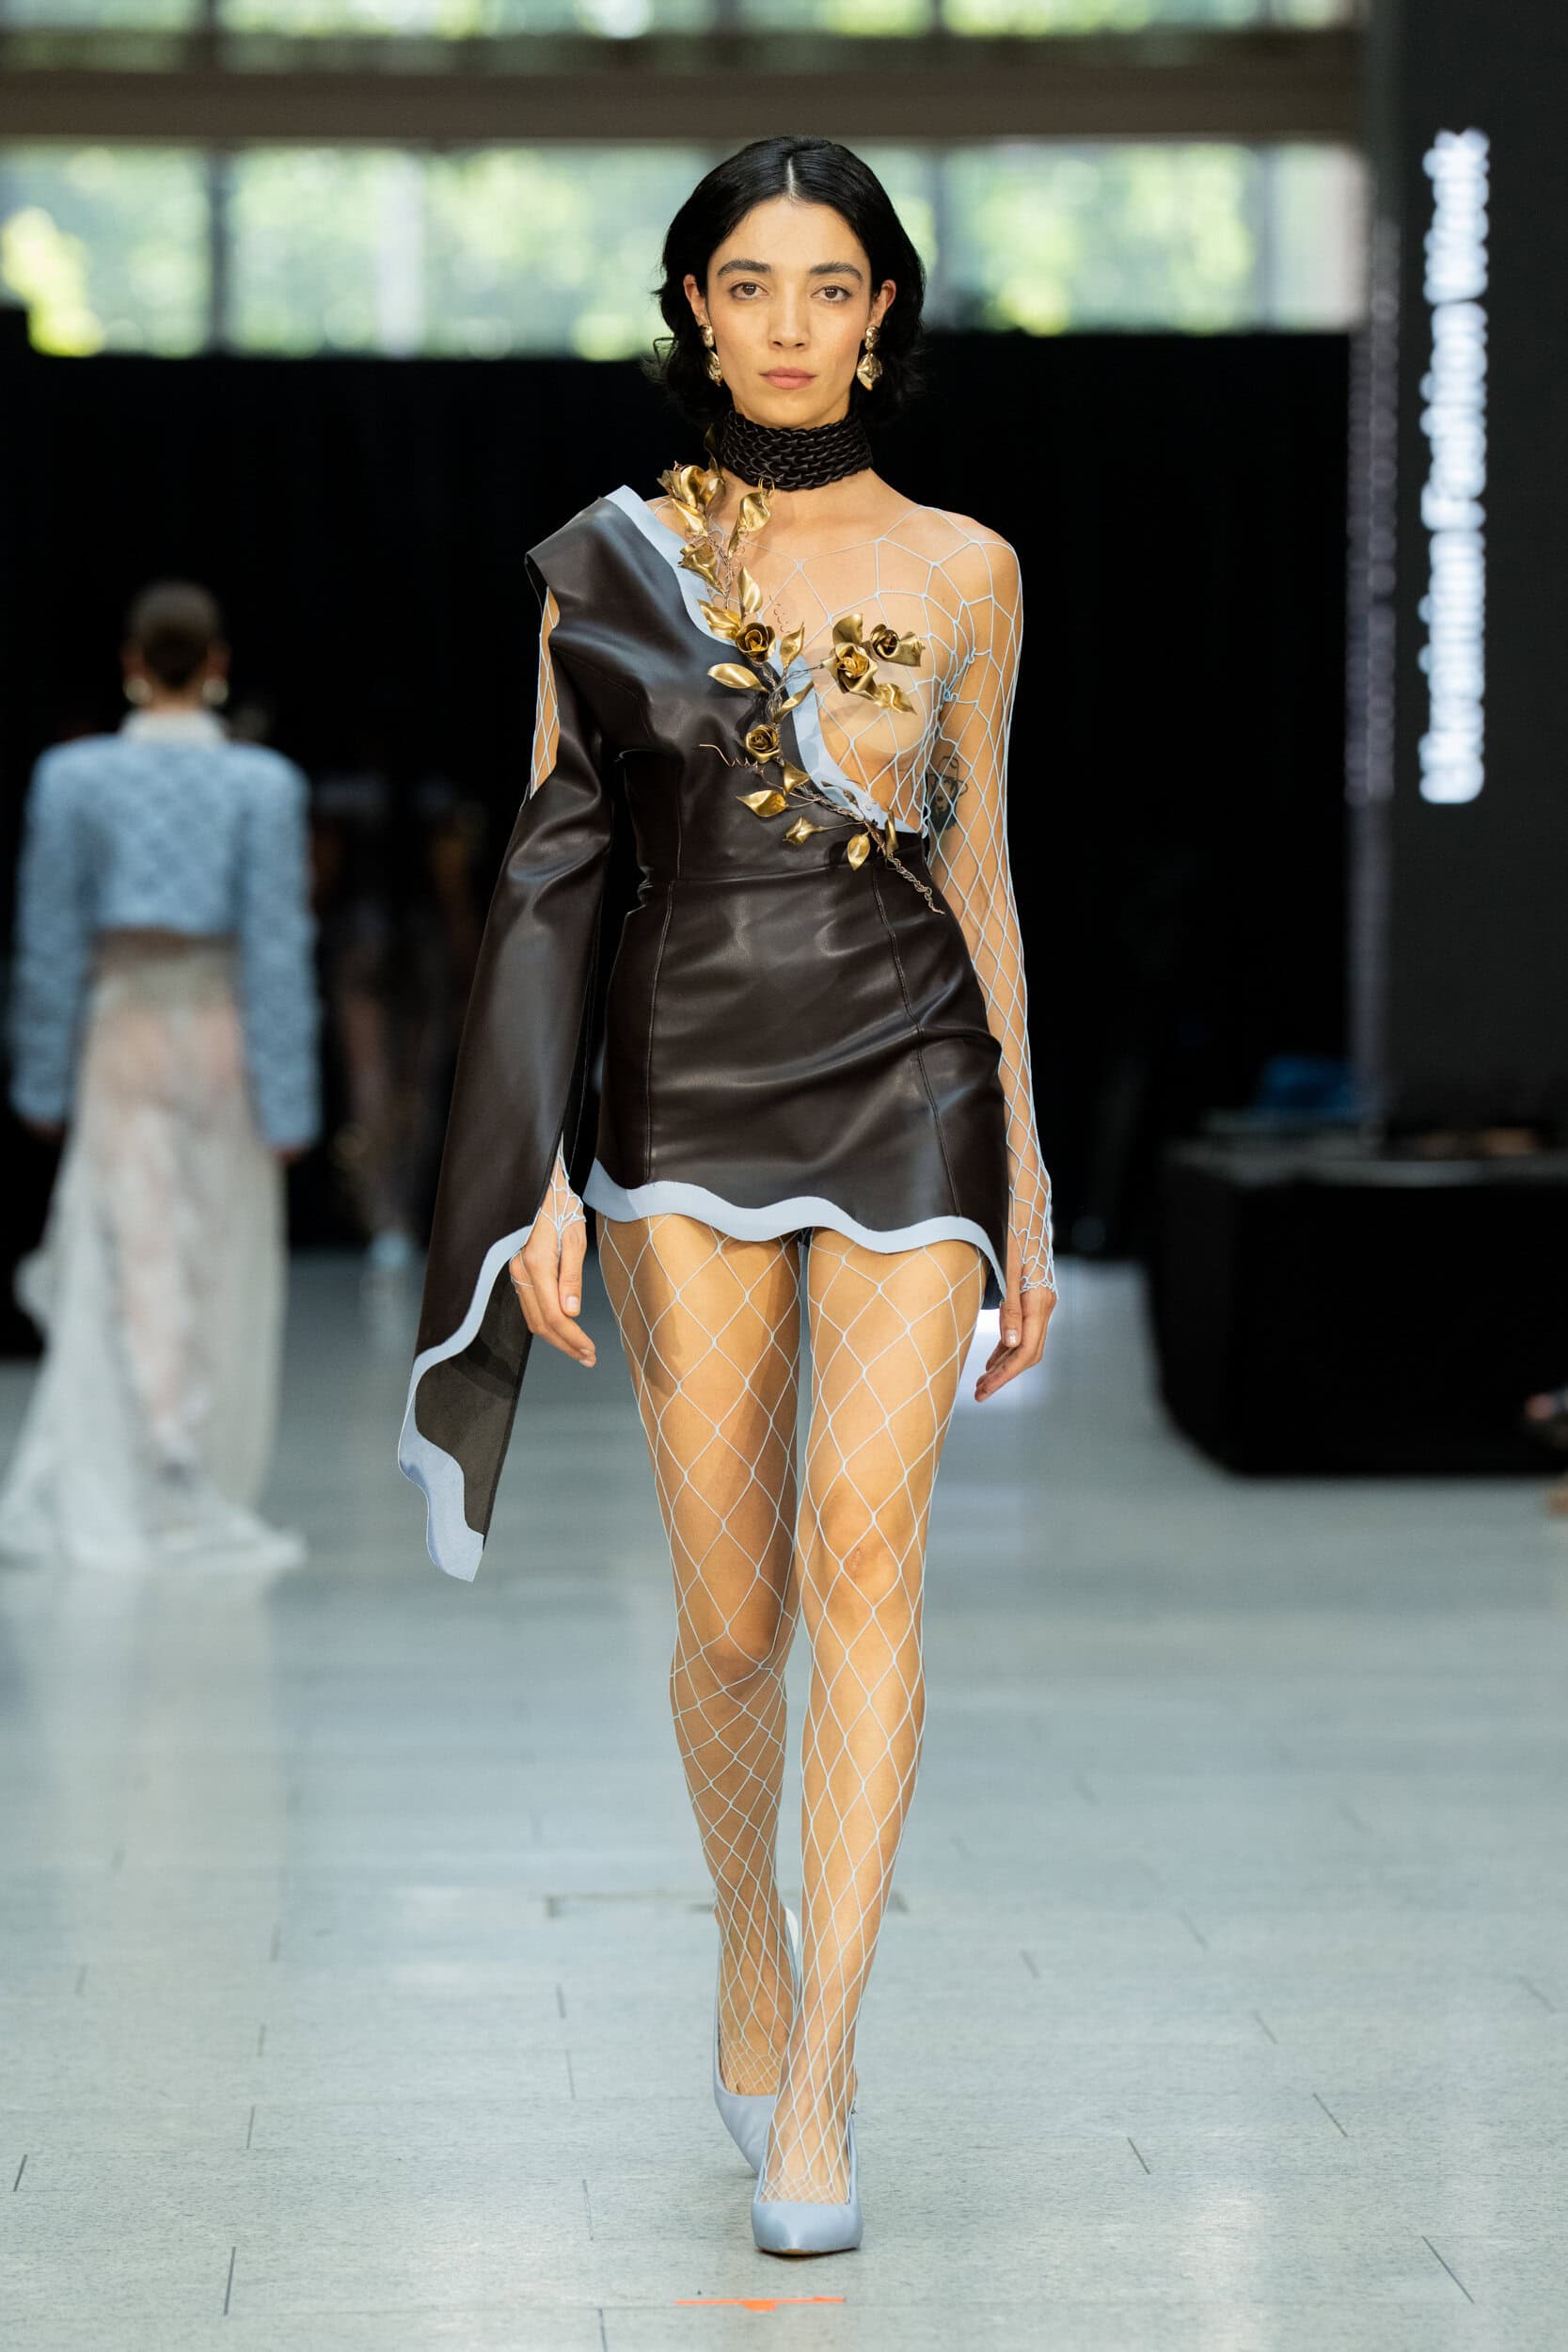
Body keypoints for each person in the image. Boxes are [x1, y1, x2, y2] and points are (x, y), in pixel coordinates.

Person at [399, 138, 1055, 2257]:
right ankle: (745, 1943)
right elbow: (548, 873)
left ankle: (826, 2072)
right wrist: (533, 1171)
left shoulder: (966, 566)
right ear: (694, 305)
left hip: (910, 1077)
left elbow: (979, 873)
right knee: (731, 1612)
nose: (788, 322)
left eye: (829, 284)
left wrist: (1027, 1173)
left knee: (864, 1551)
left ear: (882, 313)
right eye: (749, 282)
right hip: (677, 1084)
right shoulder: (606, 563)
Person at [3, 580, 320, 1571]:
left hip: (123, 1031)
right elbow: (275, 947)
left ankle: (146, 1457)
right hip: (220, 1032)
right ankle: (185, 1464)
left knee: (128, 1247)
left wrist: (41, 1084)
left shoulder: (72, 778)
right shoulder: (263, 784)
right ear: (217, 667)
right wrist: (288, 1101)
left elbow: (50, 940)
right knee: (214, 1250)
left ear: (132, 665)